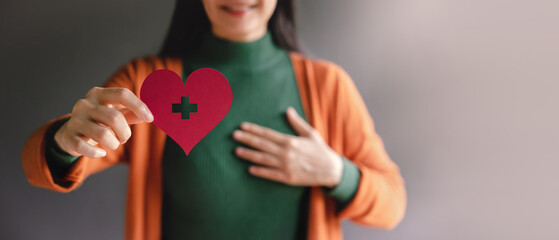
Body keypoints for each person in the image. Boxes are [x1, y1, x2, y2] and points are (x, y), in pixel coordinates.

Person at [21, 0, 406, 239]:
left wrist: (336, 172)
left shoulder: (328, 86)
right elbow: (42, 168)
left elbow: (392, 205)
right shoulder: (148, 84)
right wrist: (66, 142)